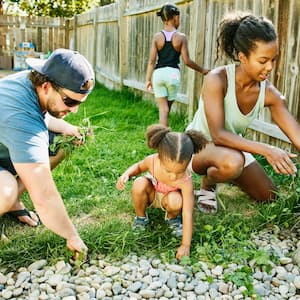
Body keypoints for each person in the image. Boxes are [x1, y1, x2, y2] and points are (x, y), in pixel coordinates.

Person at [186, 12, 300, 213]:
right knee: (232, 163)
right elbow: (218, 134)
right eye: (263, 60)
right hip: (198, 145)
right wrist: (267, 150)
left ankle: (228, 173)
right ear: (243, 57)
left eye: (273, 60)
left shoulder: (270, 94)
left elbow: (297, 137)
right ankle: (209, 183)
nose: (270, 67)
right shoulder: (217, 79)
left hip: (232, 149)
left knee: (269, 197)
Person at [0, 48, 95, 258]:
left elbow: (43, 117)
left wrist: (68, 128)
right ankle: (8, 199)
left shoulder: (31, 86)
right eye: (70, 102)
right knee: (5, 191)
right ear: (46, 86)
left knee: (60, 142)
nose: (74, 110)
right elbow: (44, 195)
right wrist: (72, 236)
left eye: (79, 103)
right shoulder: (21, 117)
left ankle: (12, 202)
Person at [116, 124, 208, 260]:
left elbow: (187, 213)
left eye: (179, 171)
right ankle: (141, 218)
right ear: (158, 158)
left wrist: (185, 245)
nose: (173, 176)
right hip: (152, 194)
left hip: (170, 199)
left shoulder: (185, 181)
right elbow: (138, 166)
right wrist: (127, 174)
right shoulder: (152, 161)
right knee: (139, 183)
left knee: (176, 201)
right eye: (168, 170)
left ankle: (172, 219)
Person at [145, 3, 209, 127]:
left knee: (163, 111)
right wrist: (203, 70)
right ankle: (165, 137)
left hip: (158, 74)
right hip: (173, 75)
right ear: (175, 17)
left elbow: (151, 61)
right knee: (166, 110)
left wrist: (148, 79)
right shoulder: (181, 37)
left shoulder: (157, 37)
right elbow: (187, 61)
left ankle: (161, 137)